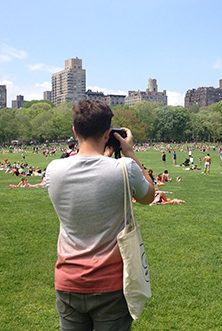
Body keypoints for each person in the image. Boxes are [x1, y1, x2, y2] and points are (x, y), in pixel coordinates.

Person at [46, 100, 155, 331]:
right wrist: (130, 152)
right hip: (111, 284)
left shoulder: (53, 169)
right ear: (109, 133)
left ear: (75, 131)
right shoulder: (124, 168)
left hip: (67, 281)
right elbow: (148, 196)